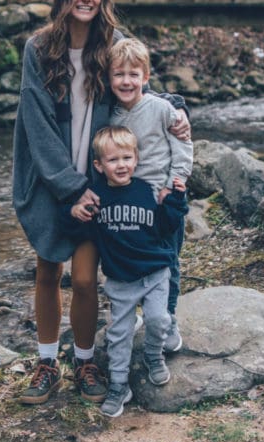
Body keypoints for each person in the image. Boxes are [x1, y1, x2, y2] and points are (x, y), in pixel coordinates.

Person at [12, 0, 189, 406]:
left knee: (88, 279)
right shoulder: (39, 49)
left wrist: (175, 105)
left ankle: (86, 361)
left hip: (99, 182)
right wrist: (69, 188)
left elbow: (137, 85)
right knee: (48, 270)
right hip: (53, 180)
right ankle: (48, 362)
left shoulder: (113, 44)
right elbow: (35, 122)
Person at [67, 125, 188, 419]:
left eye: (126, 158)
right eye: (112, 160)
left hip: (155, 272)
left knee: (159, 319)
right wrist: (73, 213)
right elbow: (80, 231)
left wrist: (175, 201)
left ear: (136, 158)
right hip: (120, 279)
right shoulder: (95, 197)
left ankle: (152, 355)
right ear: (99, 165)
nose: (121, 165)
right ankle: (120, 386)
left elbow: (164, 227)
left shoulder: (147, 190)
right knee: (118, 335)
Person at [108, 37, 193, 353]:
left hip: (163, 202)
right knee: (129, 259)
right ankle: (135, 313)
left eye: (134, 74)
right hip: (128, 205)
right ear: (109, 78)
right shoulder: (111, 116)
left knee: (167, 261)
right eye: (119, 74)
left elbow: (183, 145)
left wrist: (176, 182)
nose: (126, 81)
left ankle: (168, 319)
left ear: (145, 77)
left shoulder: (161, 109)